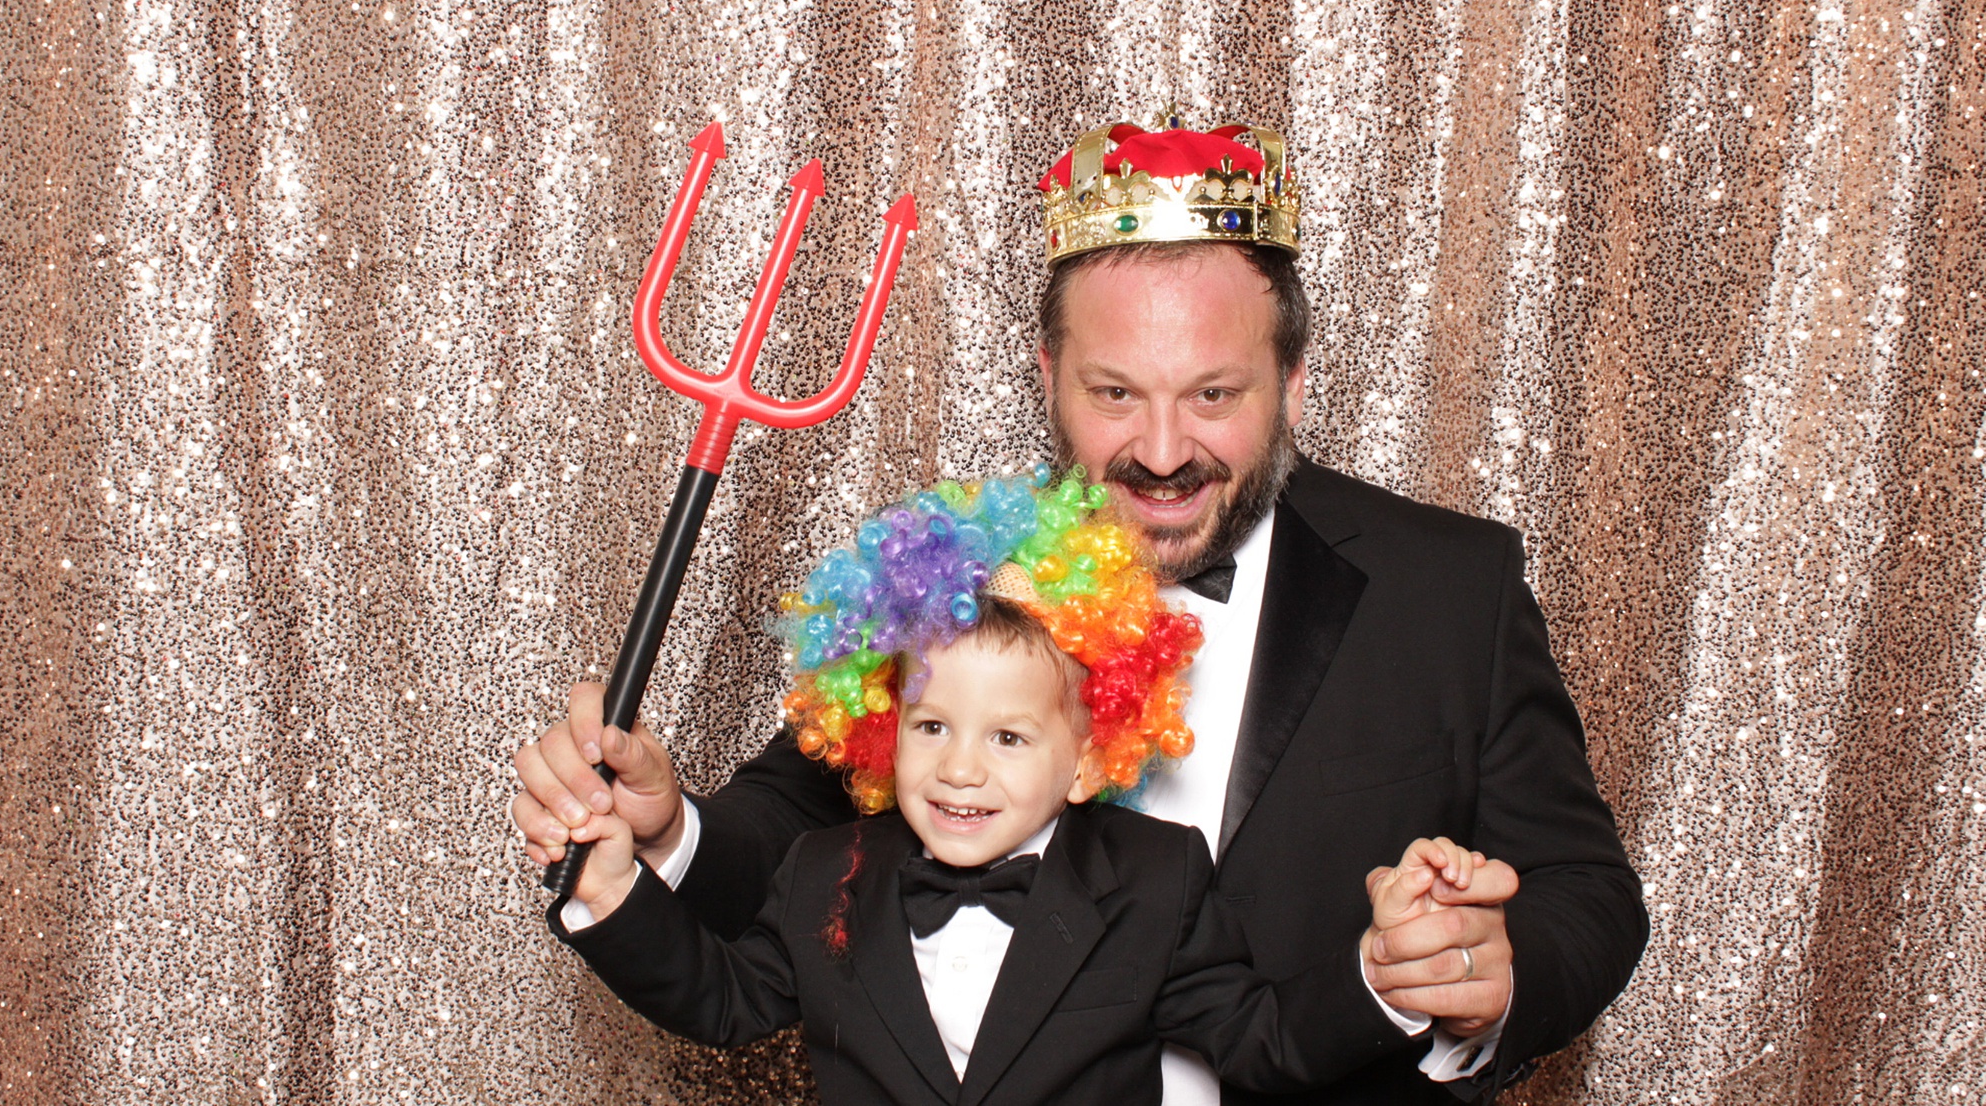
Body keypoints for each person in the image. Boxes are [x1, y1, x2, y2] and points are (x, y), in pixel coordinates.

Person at [516, 113, 1648, 1104]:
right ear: (1049, 372)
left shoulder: (1449, 586)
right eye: (1113, 393)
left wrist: (1473, 974)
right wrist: (666, 828)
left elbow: (1585, 893)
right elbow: (792, 832)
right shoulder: (959, 570)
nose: (1161, 452)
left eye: (1213, 393)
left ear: (1291, 383)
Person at [549, 471, 1503, 1104]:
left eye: (1009, 735)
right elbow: (723, 1000)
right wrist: (611, 895)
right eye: (931, 728)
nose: (961, 768)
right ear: (883, 728)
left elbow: (1260, 1039)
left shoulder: (1157, 880)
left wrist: (1380, 976)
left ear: (1089, 757)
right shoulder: (822, 871)